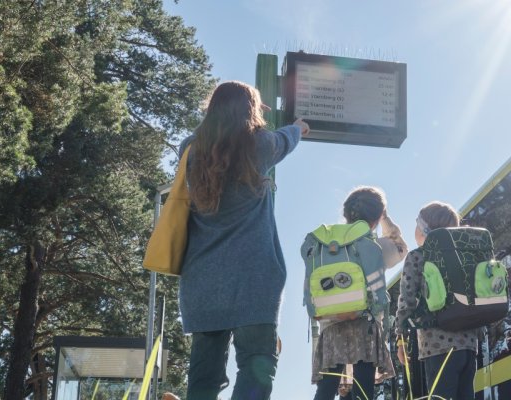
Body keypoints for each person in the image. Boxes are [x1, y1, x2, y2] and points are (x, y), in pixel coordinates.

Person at [177, 81, 310, 400]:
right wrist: (298, 126)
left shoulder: (190, 150)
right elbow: (286, 139)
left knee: (204, 376)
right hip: (255, 278)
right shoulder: (259, 145)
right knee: (256, 365)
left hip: (203, 281)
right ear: (251, 110)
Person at [311, 187, 407, 400]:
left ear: (346, 214)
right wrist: (385, 218)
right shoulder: (374, 247)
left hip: (331, 326)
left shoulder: (327, 248)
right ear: (374, 219)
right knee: (364, 391)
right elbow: (401, 248)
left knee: (326, 390)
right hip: (365, 326)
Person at [393, 201, 479, 400]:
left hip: (437, 345)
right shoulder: (465, 256)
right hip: (469, 344)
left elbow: (407, 300)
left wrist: (400, 339)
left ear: (424, 229)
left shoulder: (418, 256)